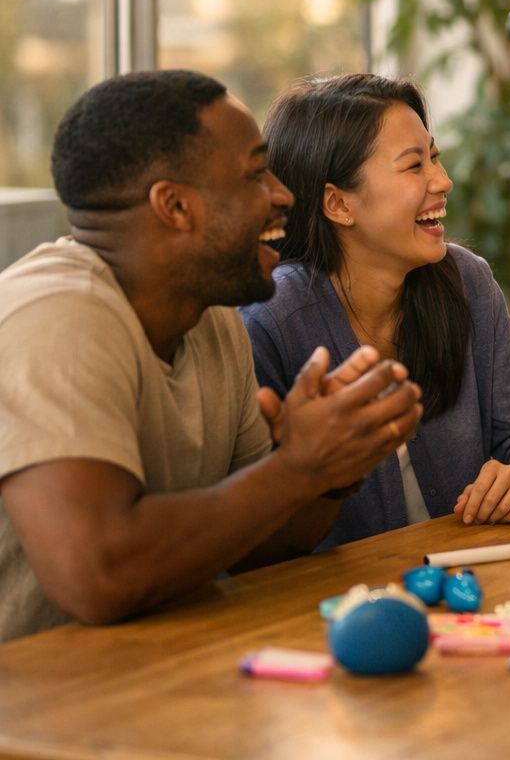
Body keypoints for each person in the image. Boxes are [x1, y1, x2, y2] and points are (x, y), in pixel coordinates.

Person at [0, 70, 423, 643]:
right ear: (175, 205)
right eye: (255, 174)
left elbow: (258, 547)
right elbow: (99, 576)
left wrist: (330, 472)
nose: (284, 195)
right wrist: (297, 468)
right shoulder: (57, 317)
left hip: (154, 670)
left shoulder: (213, 319)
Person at [241, 74, 510, 548]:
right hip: (339, 594)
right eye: (414, 166)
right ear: (338, 203)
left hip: (467, 575)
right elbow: (257, 529)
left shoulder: (466, 281)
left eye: (434, 157)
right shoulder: (271, 319)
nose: (443, 180)